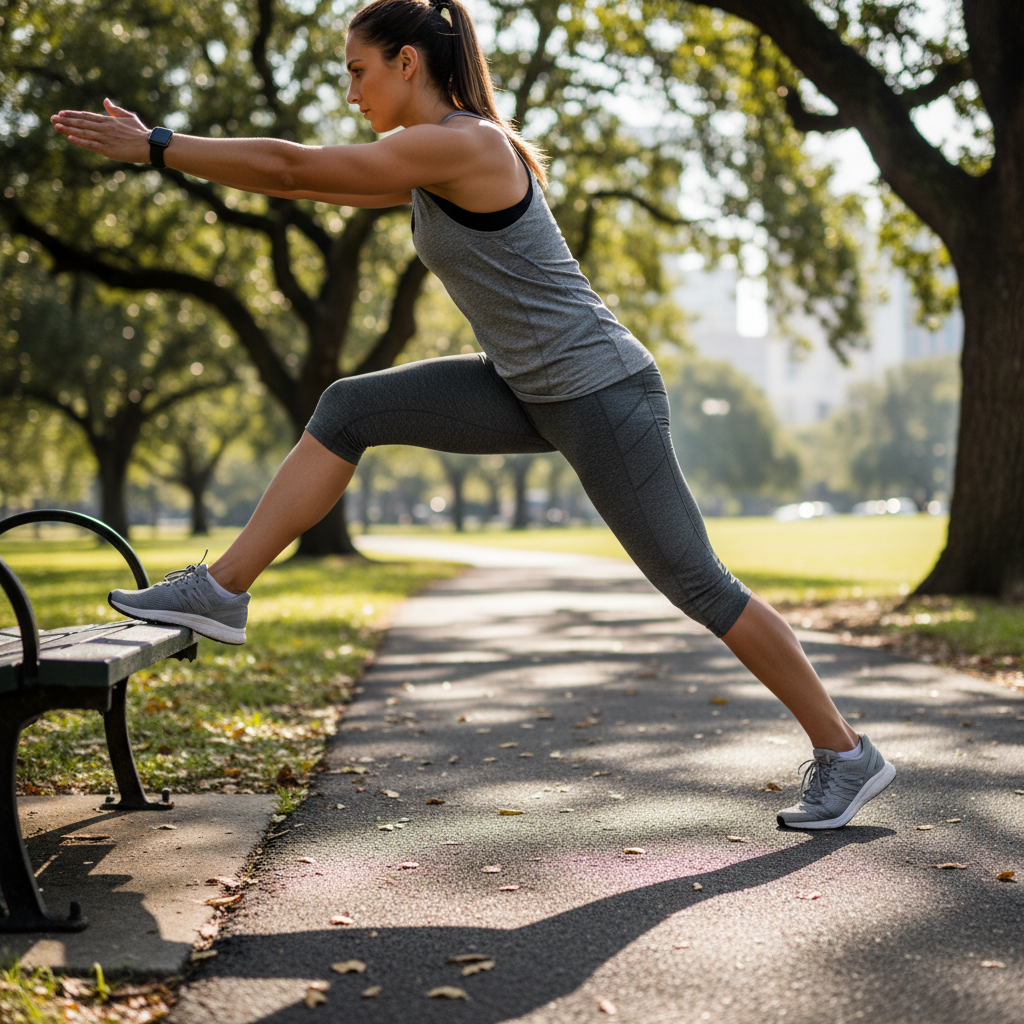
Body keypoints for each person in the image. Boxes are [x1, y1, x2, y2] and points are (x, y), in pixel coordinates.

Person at [50, 0, 894, 829]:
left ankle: (847, 753)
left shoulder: (467, 146)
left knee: (700, 584)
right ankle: (222, 590)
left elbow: (292, 168)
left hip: (600, 391)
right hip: (526, 386)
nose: (352, 94)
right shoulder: (429, 154)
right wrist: (171, 150)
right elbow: (305, 180)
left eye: (357, 72)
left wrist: (159, 146)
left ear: (406, 62)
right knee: (349, 408)